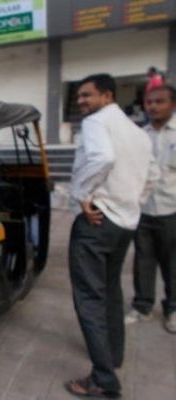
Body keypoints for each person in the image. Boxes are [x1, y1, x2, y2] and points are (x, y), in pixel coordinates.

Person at [65, 74, 159, 399]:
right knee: (111, 292)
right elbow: (153, 176)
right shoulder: (139, 133)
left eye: (87, 95)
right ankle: (114, 356)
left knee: (90, 298)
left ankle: (103, 380)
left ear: (107, 96)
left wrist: (82, 194)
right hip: (124, 223)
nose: (81, 101)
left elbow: (102, 157)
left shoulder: (96, 122)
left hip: (96, 221)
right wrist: (132, 203)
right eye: (79, 96)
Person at [125, 85, 176, 333]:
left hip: (172, 209)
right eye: (149, 102)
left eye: (159, 101)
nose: (153, 106)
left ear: (173, 104)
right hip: (143, 209)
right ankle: (143, 306)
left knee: (172, 262)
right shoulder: (140, 135)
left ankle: (173, 309)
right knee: (143, 260)